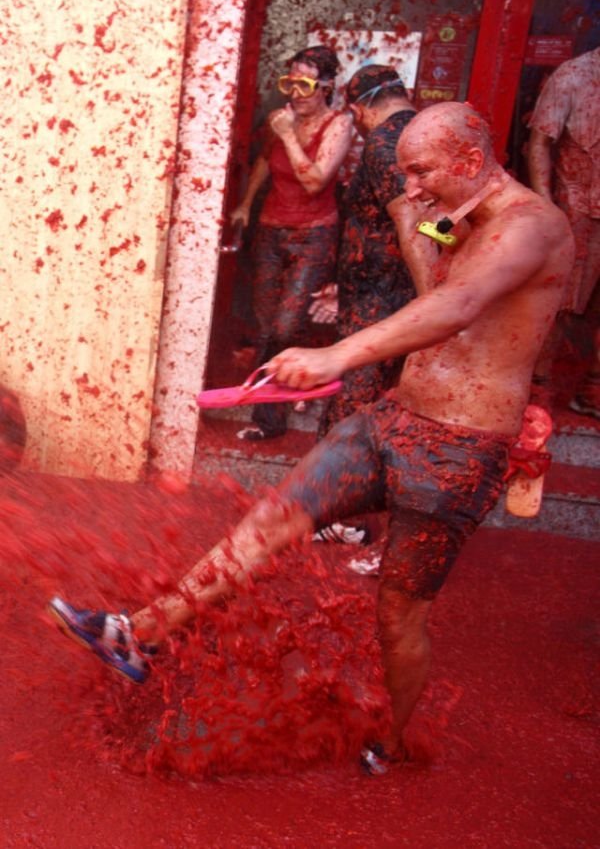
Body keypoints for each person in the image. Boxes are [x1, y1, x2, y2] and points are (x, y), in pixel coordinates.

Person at [50, 102, 573, 770]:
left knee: (398, 614)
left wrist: (336, 355)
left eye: (420, 173)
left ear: (470, 162)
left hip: (460, 450)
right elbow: (434, 294)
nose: (410, 186)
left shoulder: (535, 224)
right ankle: (138, 634)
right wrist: (416, 220)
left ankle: (392, 739)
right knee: (270, 519)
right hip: (392, 417)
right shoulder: (458, 217)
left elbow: (458, 307)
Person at [308, 65, 425, 549]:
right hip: (378, 290)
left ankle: (341, 516)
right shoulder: (417, 137)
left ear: (358, 109)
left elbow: (415, 223)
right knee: (361, 400)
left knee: (353, 403)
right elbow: (429, 225)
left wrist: (432, 285)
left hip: (382, 297)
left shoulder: (383, 145)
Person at [230, 45, 353, 440]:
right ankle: (274, 411)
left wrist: (289, 136)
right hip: (270, 228)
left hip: (314, 232)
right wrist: (246, 204)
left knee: (286, 326)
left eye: (304, 85)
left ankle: (278, 405)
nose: (296, 94)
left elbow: (315, 180)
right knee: (267, 323)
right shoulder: (281, 121)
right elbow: (267, 162)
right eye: (290, 84)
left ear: (326, 86)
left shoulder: (338, 123)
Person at [527, 45, 600, 417]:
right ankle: (536, 387)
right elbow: (540, 142)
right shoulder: (574, 75)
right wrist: (546, 206)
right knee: (559, 304)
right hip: (576, 207)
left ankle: (594, 386)